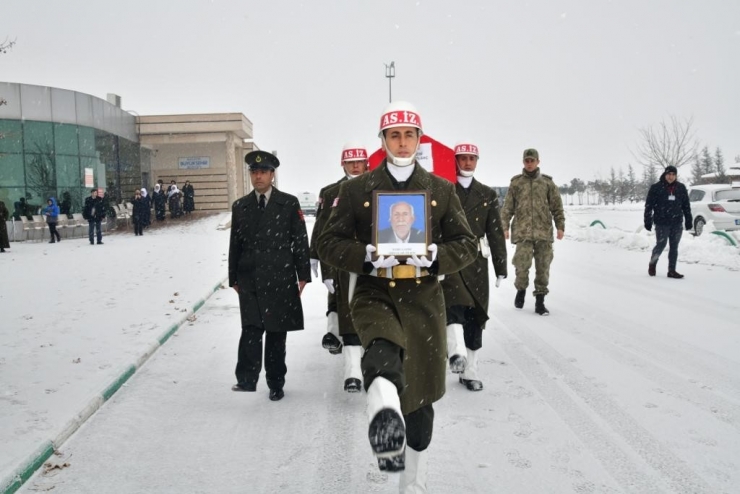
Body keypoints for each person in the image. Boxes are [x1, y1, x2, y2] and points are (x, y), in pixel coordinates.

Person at [318, 101, 477, 490]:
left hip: (424, 300)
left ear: (419, 140)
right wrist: (365, 257)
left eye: (409, 135)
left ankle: (412, 481)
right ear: (383, 140)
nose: (402, 143)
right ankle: (385, 417)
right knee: (382, 355)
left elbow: (467, 243)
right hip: (376, 293)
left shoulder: (440, 189)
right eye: (394, 135)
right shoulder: (356, 190)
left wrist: (438, 256)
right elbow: (327, 242)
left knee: (421, 404)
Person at [228, 150, 311, 402]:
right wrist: (233, 277)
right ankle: (246, 379)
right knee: (251, 328)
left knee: (276, 332)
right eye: (254, 172)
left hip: (279, 276)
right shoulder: (241, 206)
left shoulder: (288, 203)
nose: (258, 176)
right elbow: (235, 244)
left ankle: (276, 382)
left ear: (272, 174)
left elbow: (300, 240)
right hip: (249, 276)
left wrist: (303, 274)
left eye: (263, 172)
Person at [439, 142, 508, 391]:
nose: (467, 162)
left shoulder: (487, 194)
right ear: (455, 160)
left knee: (476, 315)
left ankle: (471, 370)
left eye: (472, 158)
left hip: (477, 261)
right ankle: (456, 354)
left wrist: (501, 266)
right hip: (450, 259)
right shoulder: (444, 189)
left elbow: (495, 232)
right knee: (453, 308)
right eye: (463, 158)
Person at [309, 142, 369, 392]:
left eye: (359, 162)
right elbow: (323, 231)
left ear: (367, 163)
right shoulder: (332, 191)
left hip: (374, 261)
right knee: (348, 316)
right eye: (350, 162)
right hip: (343, 262)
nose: (355, 166)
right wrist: (321, 263)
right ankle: (352, 373)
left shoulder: (379, 188)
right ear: (342, 164)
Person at [500, 148, 565, 316]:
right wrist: (504, 227)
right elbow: (507, 208)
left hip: (544, 232)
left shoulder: (547, 184)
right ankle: (521, 290)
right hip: (523, 232)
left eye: (532, 161)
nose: (529, 164)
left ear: (538, 162)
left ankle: (540, 301)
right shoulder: (516, 184)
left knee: (543, 267)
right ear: (523, 162)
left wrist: (560, 226)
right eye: (527, 161)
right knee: (521, 265)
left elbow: (557, 207)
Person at [644, 165, 692, 278]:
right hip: (661, 222)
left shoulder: (681, 188)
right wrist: (648, 220)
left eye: (673, 174)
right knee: (661, 244)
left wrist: (688, 219)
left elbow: (686, 205)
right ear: (665, 174)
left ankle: (672, 270)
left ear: (676, 176)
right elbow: (649, 206)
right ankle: (652, 263)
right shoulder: (656, 187)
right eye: (669, 174)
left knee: (674, 246)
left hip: (676, 222)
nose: (671, 177)